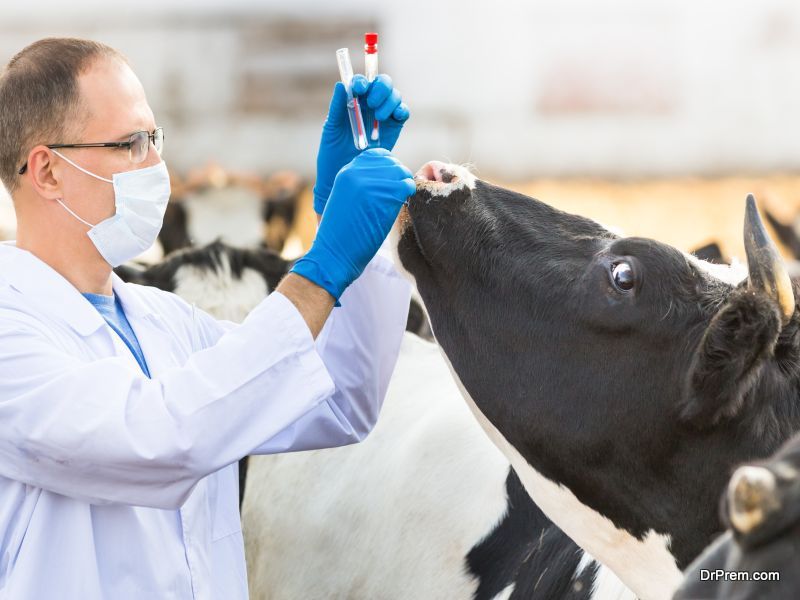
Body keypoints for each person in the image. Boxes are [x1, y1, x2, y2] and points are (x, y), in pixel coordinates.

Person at [0, 37, 415, 599]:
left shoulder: (164, 321)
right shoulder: (13, 334)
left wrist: (354, 247)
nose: (157, 167)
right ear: (46, 172)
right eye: (129, 144)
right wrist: (322, 266)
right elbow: (166, 439)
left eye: (155, 139)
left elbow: (337, 399)